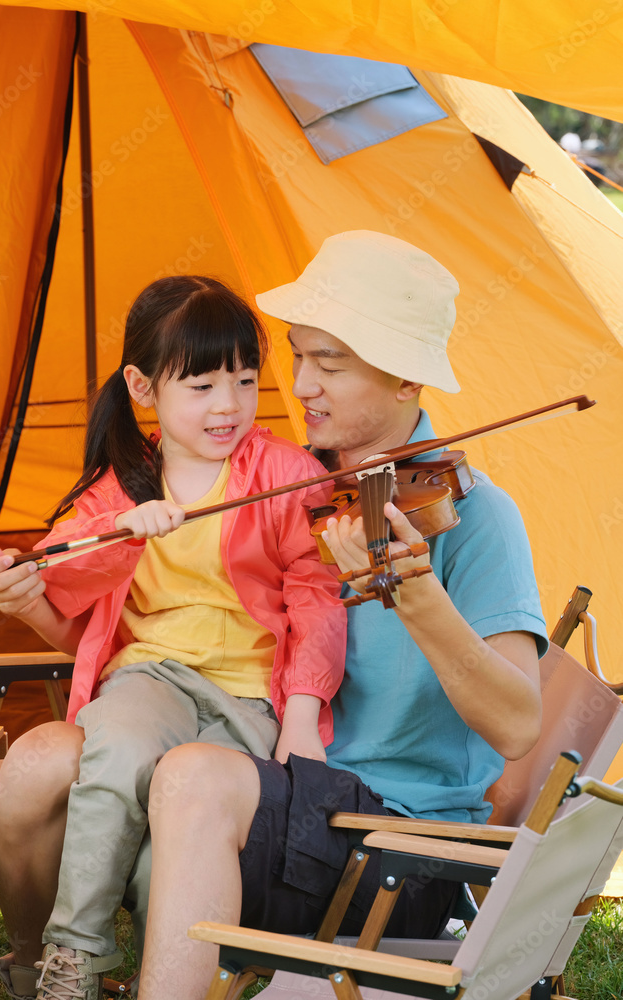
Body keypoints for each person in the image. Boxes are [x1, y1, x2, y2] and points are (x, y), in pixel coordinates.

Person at [133, 231, 548, 999]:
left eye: (333, 364)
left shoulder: (475, 517)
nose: (303, 386)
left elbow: (520, 724)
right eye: (299, 357)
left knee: (191, 781)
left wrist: (417, 595)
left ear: (405, 383)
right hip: (288, 790)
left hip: (394, 845)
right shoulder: (292, 490)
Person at [0, 275, 346, 999]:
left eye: (243, 380)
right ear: (143, 388)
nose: (229, 405)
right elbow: (63, 567)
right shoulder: (124, 482)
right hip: (152, 678)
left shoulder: (287, 473)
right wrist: (119, 533)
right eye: (201, 385)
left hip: (248, 700)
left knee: (170, 844)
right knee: (119, 748)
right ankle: (73, 955)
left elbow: (317, 598)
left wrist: (301, 713)